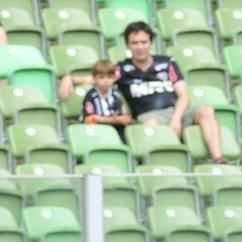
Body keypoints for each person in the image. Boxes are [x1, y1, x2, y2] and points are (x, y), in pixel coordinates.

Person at [58, 22, 227, 164]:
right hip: (149, 116)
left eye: (144, 42)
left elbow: (184, 95)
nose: (140, 47)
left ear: (150, 42)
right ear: (128, 45)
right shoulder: (122, 69)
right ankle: (168, 165)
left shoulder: (167, 63)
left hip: (176, 112)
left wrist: (176, 119)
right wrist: (69, 79)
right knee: (152, 124)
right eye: (135, 43)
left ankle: (219, 159)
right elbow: (97, 78)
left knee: (206, 110)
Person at [79, 60, 132, 135]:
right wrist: (115, 120)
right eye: (101, 77)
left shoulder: (117, 94)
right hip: (97, 132)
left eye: (109, 77)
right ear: (94, 78)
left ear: (114, 78)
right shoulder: (91, 96)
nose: (106, 81)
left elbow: (126, 119)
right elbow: (89, 119)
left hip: (116, 132)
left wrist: (100, 119)